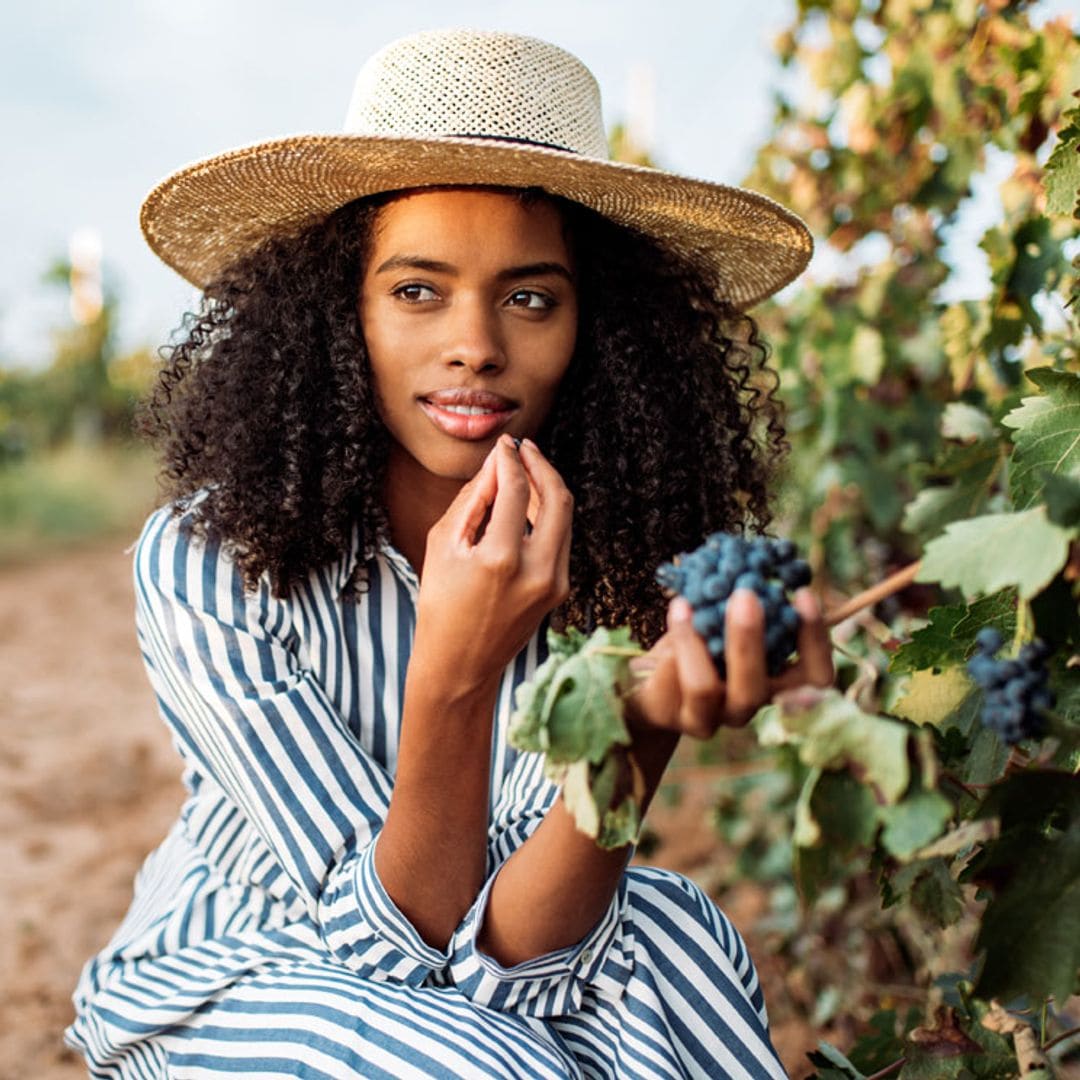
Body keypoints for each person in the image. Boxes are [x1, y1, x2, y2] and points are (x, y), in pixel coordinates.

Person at [66, 28, 833, 1080]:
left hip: (491, 961)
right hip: (234, 977)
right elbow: (397, 947)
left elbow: (517, 961)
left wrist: (641, 727)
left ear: (595, 330)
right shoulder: (211, 562)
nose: (476, 342)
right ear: (341, 314)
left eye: (531, 297)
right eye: (418, 290)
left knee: (685, 953)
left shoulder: (614, 565)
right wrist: (455, 671)